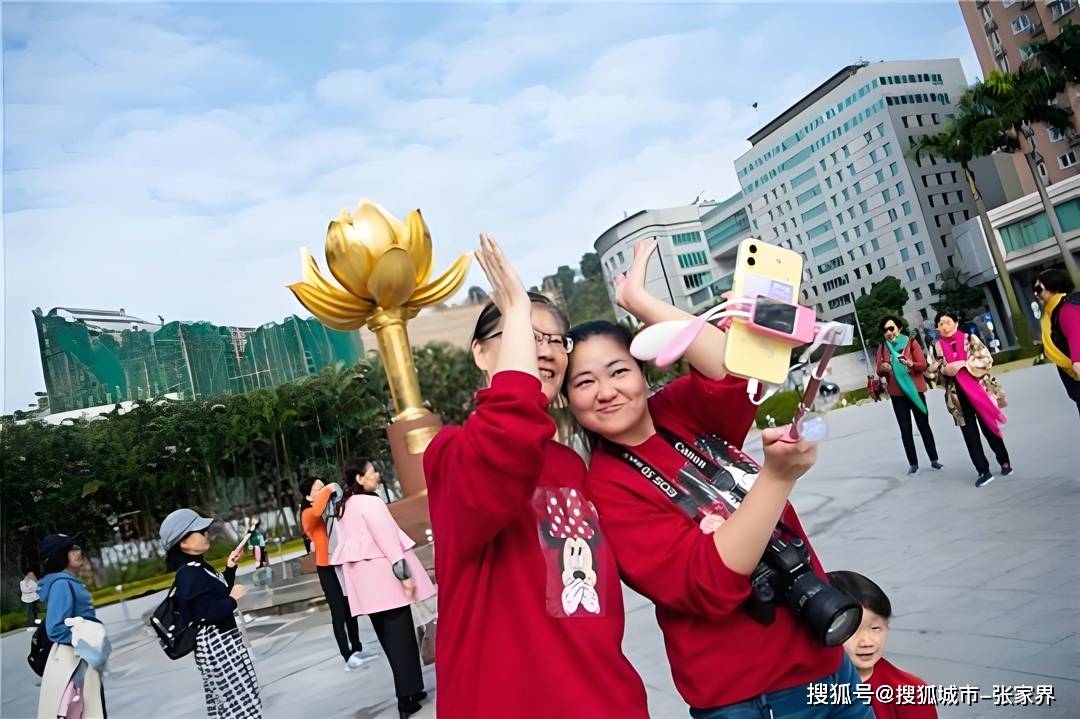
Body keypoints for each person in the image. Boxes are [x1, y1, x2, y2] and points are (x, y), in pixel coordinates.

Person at [563, 239, 871, 719]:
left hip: (829, 668)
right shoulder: (605, 488)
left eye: (618, 371)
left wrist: (642, 303)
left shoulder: (678, 409)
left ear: (644, 374)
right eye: (584, 382)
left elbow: (736, 369)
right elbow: (710, 581)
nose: (606, 392)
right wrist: (776, 478)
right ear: (569, 401)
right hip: (753, 698)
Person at [423, 234, 650, 719]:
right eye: (524, 333)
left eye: (554, 340)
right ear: (483, 355)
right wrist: (513, 304)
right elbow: (504, 442)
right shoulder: (453, 454)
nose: (543, 351)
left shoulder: (571, 463)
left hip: (606, 701)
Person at [332, 459, 433, 719]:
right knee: (403, 640)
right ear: (359, 479)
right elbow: (388, 541)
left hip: (366, 586)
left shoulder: (343, 507)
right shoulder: (372, 503)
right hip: (386, 578)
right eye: (372, 471)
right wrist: (404, 576)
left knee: (391, 641)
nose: (377, 474)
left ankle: (413, 690)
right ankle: (406, 700)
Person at [160, 509, 261, 719]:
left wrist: (230, 568)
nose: (205, 534)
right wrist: (233, 599)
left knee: (236, 701)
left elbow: (216, 595)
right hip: (217, 644)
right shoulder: (188, 574)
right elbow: (205, 612)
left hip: (222, 640)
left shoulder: (198, 567)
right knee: (236, 702)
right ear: (183, 542)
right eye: (199, 530)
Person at [827, 571, 938, 719]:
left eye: (875, 628)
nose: (867, 642)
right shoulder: (805, 692)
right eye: (853, 630)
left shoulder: (911, 692)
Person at [927, 310, 1011, 487]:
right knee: (970, 436)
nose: (945, 326)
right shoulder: (936, 347)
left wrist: (964, 365)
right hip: (957, 397)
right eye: (941, 324)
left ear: (956, 324)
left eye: (948, 322)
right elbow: (931, 374)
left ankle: (1004, 462)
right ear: (937, 328)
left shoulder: (969, 339)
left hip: (979, 391)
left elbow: (986, 360)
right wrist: (942, 370)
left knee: (989, 428)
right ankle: (983, 470)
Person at [299, 476, 371, 671]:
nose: (325, 491)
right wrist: (330, 488)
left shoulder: (329, 510)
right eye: (318, 489)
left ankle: (357, 648)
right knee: (338, 612)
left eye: (324, 487)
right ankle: (346, 655)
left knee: (350, 608)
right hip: (326, 568)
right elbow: (316, 511)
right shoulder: (308, 513)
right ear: (308, 496)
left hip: (340, 562)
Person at [37, 533, 108, 719]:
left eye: (76, 546)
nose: (77, 551)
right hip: (75, 660)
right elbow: (55, 628)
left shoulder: (66, 582)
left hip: (81, 658)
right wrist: (86, 640)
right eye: (70, 549)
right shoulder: (61, 584)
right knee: (86, 711)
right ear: (59, 556)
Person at [875, 315, 942, 475]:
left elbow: (922, 365)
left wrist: (910, 364)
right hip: (897, 395)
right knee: (905, 429)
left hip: (915, 391)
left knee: (924, 426)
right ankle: (913, 463)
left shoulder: (911, 342)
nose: (888, 332)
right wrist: (884, 367)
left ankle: (934, 460)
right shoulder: (882, 347)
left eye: (891, 328)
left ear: (899, 328)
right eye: (885, 330)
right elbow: (879, 369)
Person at [1033, 268, 1080, 421]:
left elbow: (1077, 343)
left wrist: (1077, 364)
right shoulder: (1051, 312)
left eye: (1038, 289)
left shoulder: (1066, 309)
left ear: (1053, 287)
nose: (1035, 293)